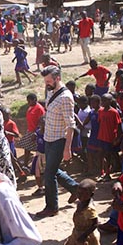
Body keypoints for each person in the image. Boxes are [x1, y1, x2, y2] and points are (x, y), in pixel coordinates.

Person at [36, 66, 79, 218]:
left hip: (59, 140)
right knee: (51, 170)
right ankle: (76, 189)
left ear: (57, 78)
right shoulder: (50, 91)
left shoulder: (66, 97)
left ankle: (52, 207)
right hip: (48, 137)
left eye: (49, 81)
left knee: (49, 174)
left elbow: (70, 124)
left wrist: (67, 148)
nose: (46, 83)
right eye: (45, 81)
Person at [58, 178, 103, 245]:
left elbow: (95, 224)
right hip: (77, 232)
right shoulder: (81, 202)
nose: (80, 196)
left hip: (87, 235)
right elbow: (70, 201)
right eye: (79, 193)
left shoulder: (89, 209)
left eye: (83, 194)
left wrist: (84, 236)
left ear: (91, 195)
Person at [97, 94, 122, 182]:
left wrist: (118, 138)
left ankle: (108, 174)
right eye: (102, 100)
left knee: (108, 156)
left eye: (104, 101)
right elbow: (100, 123)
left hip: (109, 137)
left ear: (110, 101)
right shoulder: (100, 111)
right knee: (101, 154)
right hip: (101, 136)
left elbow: (119, 125)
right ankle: (102, 172)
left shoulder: (114, 112)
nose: (102, 102)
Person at [21, 93, 46, 172]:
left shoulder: (39, 109)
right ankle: (26, 164)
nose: (28, 103)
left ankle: (33, 166)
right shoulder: (31, 107)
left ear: (35, 100)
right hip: (30, 130)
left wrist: (37, 132)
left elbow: (42, 122)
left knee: (37, 149)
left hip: (35, 132)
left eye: (29, 101)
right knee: (27, 147)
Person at [30, 116, 46, 195]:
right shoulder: (38, 132)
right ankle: (40, 188)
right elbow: (33, 139)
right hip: (39, 155)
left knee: (47, 173)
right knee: (37, 172)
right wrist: (33, 137)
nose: (43, 126)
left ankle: (47, 188)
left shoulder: (49, 134)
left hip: (47, 156)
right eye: (42, 124)